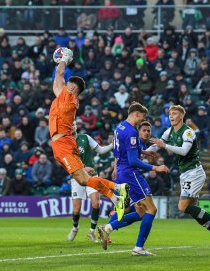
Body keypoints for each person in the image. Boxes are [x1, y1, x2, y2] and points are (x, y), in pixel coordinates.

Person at [48, 48, 128, 221]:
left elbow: (60, 74)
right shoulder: (63, 98)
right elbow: (57, 80)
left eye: (69, 84)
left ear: (73, 88)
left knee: (83, 179)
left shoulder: (69, 100)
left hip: (64, 143)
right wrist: (61, 65)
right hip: (61, 143)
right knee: (84, 179)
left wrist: (64, 59)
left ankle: (118, 191)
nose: (65, 85)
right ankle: (117, 195)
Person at [150, 105, 210, 253]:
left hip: (194, 172)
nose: (171, 116)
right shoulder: (169, 131)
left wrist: (165, 145)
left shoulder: (188, 132)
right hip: (185, 173)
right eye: (170, 114)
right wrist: (144, 152)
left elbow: (184, 151)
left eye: (174, 114)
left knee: (182, 207)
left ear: (181, 116)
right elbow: (157, 145)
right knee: (192, 209)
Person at [97, 102, 169, 256]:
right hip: (130, 173)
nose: (142, 119)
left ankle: (108, 228)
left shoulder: (120, 127)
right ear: (136, 114)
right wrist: (156, 168)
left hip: (122, 172)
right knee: (152, 209)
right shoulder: (131, 132)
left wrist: (144, 152)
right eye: (142, 116)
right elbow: (133, 161)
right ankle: (138, 248)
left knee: (141, 213)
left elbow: (123, 152)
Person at [67, 122, 114, 242]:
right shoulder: (66, 143)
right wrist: (84, 169)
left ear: (76, 126)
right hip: (77, 177)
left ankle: (92, 231)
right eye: (69, 125)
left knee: (96, 203)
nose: (71, 127)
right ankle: (75, 228)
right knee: (77, 209)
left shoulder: (85, 138)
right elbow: (68, 164)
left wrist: (112, 145)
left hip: (92, 175)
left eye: (73, 125)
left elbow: (101, 150)